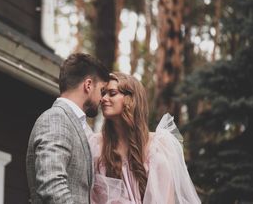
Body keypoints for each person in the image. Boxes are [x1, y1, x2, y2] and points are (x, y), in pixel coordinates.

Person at [89, 72, 201, 204]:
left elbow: (165, 199)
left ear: (130, 99)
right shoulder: (96, 145)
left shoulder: (158, 146)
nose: (103, 99)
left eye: (112, 93)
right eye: (103, 93)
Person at [26, 53, 110, 203]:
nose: (103, 99)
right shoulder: (56, 119)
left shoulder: (78, 126)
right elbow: (52, 185)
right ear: (88, 85)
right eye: (102, 91)